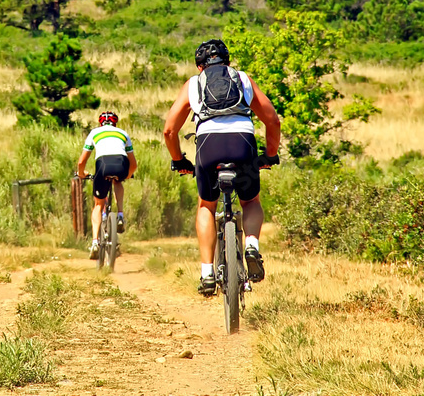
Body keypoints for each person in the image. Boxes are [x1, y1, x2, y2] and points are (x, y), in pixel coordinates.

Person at [163, 38, 280, 296]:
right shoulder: (243, 79)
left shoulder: (193, 84)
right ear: (227, 61)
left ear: (199, 66)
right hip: (242, 142)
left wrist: (179, 160)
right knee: (250, 201)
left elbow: (169, 129)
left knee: (207, 205)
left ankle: (206, 273)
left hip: (209, 146)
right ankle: (251, 245)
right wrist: (269, 155)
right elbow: (272, 120)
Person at [77, 111, 137, 259]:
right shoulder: (123, 133)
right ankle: (121, 215)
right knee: (118, 180)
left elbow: (81, 162)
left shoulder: (95, 133)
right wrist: (127, 175)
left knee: (98, 205)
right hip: (121, 164)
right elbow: (134, 164)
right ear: (115, 123)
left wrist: (81, 173)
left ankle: (95, 242)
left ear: (100, 123)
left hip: (102, 165)